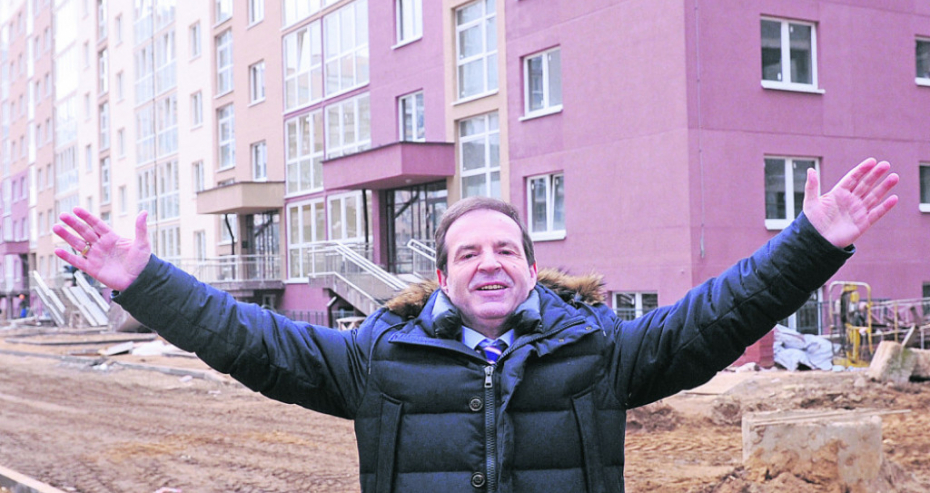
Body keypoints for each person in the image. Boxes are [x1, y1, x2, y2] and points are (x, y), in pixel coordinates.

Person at [53, 158, 898, 493]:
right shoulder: (377, 360)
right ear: (443, 276)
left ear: (531, 266)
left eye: (505, 249)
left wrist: (811, 241)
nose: (488, 262)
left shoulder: (599, 351)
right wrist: (144, 281)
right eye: (468, 253)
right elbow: (248, 339)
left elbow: (720, 315)